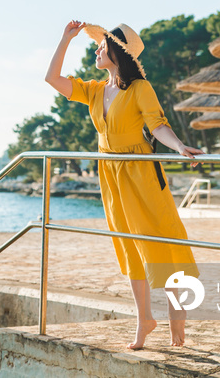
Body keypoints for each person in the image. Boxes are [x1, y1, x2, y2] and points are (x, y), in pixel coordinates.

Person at [44, 20, 204, 350]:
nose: (97, 49)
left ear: (118, 52)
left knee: (162, 243)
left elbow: (158, 126)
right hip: (111, 176)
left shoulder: (141, 88)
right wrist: (65, 40)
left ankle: (177, 315)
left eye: (102, 45)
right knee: (129, 247)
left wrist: (179, 147)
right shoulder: (95, 90)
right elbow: (53, 79)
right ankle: (144, 319)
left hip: (141, 174)